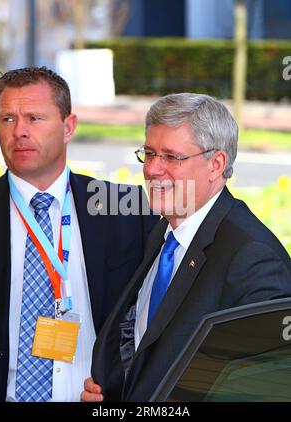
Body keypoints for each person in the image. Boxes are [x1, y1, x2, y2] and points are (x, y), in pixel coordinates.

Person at [81, 93, 291, 402]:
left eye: (171, 157)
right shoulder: (165, 230)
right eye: (149, 153)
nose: (152, 169)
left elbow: (261, 389)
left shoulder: (254, 259)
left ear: (216, 164)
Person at [0, 66, 158, 402]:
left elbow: (157, 312)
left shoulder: (126, 206)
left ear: (68, 127)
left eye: (35, 118)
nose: (19, 131)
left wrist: (119, 384)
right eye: (8, 119)